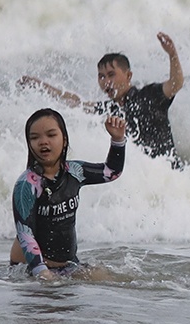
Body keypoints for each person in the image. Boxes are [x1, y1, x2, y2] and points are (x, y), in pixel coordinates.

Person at [18, 31, 184, 161]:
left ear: (128, 76)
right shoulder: (109, 109)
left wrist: (172, 54)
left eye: (111, 74)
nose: (106, 82)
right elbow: (76, 103)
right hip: (144, 178)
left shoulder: (149, 96)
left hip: (170, 174)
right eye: (101, 76)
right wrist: (39, 85)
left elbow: (176, 83)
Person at [9, 108, 126, 279]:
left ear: (64, 140)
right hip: (30, 268)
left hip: (68, 264)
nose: (43, 142)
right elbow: (25, 232)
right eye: (35, 138)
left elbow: (111, 172)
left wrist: (117, 140)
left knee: (113, 280)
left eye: (51, 135)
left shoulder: (75, 172)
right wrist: (41, 272)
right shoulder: (27, 185)